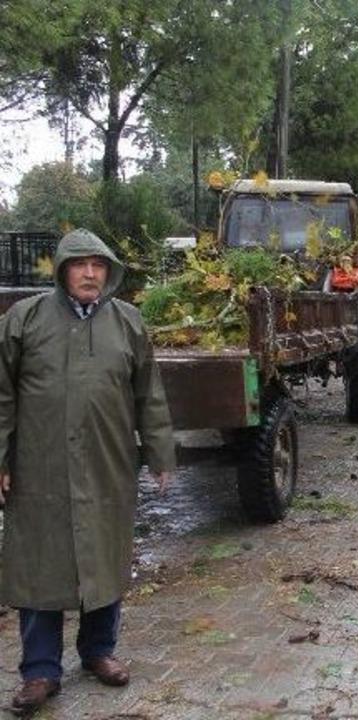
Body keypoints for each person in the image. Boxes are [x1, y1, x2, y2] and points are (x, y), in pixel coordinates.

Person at [0, 228, 175, 716]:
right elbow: (2, 395)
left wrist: (160, 452)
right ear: (62, 271)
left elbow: (149, 394)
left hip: (106, 462)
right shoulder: (25, 319)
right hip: (39, 465)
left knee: (103, 554)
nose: (90, 273)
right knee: (41, 564)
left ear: (109, 272)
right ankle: (39, 670)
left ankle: (98, 651)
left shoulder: (127, 322)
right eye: (80, 265)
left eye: (99, 265)